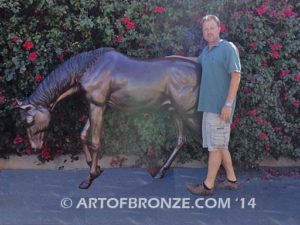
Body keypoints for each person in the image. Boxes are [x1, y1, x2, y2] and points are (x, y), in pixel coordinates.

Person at [169, 15, 241, 195]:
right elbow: (195, 61)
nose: (208, 31)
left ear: (219, 29)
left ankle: (208, 186)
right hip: (208, 107)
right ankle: (231, 180)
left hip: (220, 109)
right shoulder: (207, 51)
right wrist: (174, 58)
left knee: (215, 148)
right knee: (220, 145)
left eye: (211, 28)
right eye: (205, 29)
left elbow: (236, 75)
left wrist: (228, 105)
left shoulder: (227, 48)